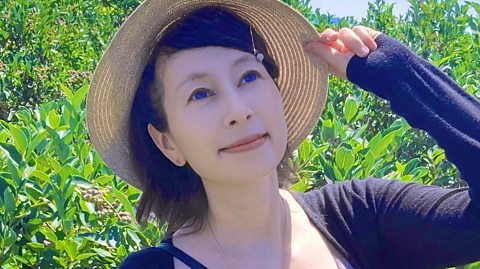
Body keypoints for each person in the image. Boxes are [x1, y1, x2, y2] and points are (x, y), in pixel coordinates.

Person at [85, 0, 480, 268]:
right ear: (167, 142)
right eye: (200, 93)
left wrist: (398, 75)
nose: (239, 111)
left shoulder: (359, 216)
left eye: (249, 76)